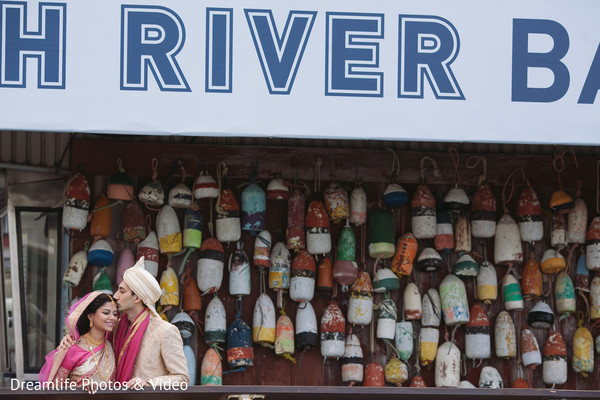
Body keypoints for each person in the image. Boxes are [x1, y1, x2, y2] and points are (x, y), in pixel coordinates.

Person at [111, 257, 189, 387]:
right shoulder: (116, 327)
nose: (115, 296)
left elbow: (182, 378)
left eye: (122, 291)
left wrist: (148, 383)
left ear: (136, 298)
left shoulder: (164, 331)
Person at [39, 292, 117, 385]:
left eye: (115, 314)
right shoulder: (72, 347)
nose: (112, 318)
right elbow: (54, 388)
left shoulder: (111, 346)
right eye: (106, 313)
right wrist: (80, 387)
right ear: (91, 316)